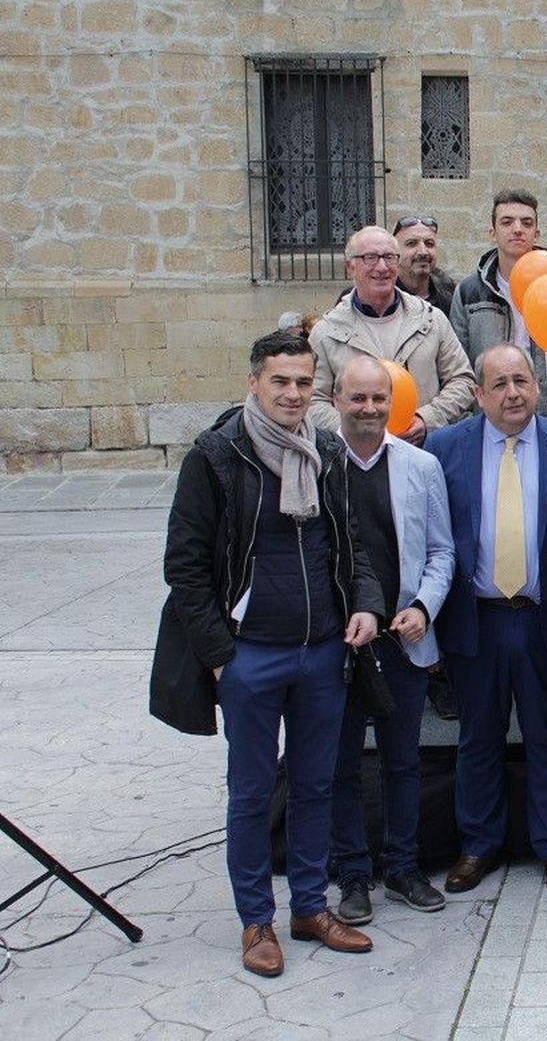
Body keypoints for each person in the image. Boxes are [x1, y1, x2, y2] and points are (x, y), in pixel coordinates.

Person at [150, 331, 382, 978]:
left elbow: (354, 546)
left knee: (315, 784)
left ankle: (310, 905)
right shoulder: (216, 455)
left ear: (317, 387)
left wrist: (364, 604)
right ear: (254, 381)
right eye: (280, 381)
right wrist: (222, 655)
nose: (292, 393)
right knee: (253, 792)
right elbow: (185, 567)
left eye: (304, 382)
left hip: (321, 653)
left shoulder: (328, 449)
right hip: (251, 657)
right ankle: (257, 919)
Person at [425, 344, 547, 897]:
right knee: (478, 737)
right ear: (477, 394)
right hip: (475, 619)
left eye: (521, 380)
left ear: (537, 385)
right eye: (498, 384)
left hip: (545, 617)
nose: (513, 393)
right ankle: (479, 844)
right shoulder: (444, 447)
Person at [327, 356, 455, 925]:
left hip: (402, 640)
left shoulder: (421, 466)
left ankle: (403, 867)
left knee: (403, 761)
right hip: (338, 643)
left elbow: (441, 551)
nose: (370, 409)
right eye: (359, 398)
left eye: (380, 398)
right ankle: (353, 875)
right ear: (336, 400)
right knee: (342, 764)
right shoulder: (316, 466)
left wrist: (424, 606)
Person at [309, 226, 476, 443]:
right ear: (350, 266)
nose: (381, 267)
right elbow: (313, 400)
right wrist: (357, 430)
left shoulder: (431, 320)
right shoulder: (327, 332)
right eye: (370, 258)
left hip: (423, 451)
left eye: (389, 257)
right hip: (356, 460)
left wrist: (427, 419)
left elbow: (462, 380)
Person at [449, 189, 547, 392]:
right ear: (492, 233)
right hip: (491, 411)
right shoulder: (468, 292)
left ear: (536, 234)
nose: (518, 229)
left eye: (527, 223)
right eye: (507, 222)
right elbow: (459, 365)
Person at [393, 214, 457, 313]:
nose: (423, 252)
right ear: (395, 252)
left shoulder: (450, 295)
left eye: (429, 244)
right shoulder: (385, 295)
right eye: (412, 243)